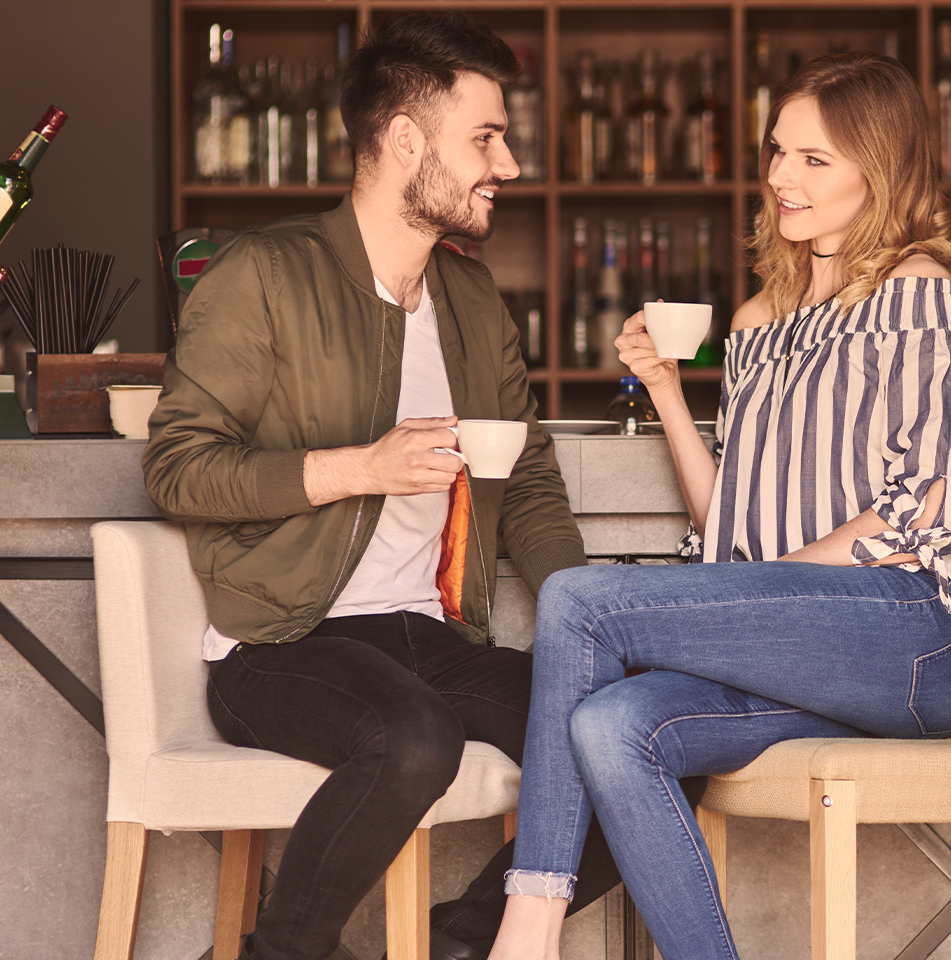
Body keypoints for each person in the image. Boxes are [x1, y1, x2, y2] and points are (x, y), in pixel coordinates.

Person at [143, 14, 676, 960]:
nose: (506, 164)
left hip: (429, 638)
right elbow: (179, 470)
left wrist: (586, 626)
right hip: (281, 640)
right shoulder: (263, 275)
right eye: (485, 137)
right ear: (403, 142)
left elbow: (534, 483)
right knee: (415, 737)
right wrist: (361, 467)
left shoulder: (473, 300)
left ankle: (461, 945)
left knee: (648, 739)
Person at [486, 53, 951, 960]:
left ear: (877, 170)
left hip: (918, 637)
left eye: (813, 159)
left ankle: (526, 928)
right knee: (610, 727)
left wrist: (759, 590)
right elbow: (731, 522)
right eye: (777, 152)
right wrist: (668, 393)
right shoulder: (762, 318)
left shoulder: (916, 290)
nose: (778, 177)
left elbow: (919, 505)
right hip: (809, 650)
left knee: (577, 598)